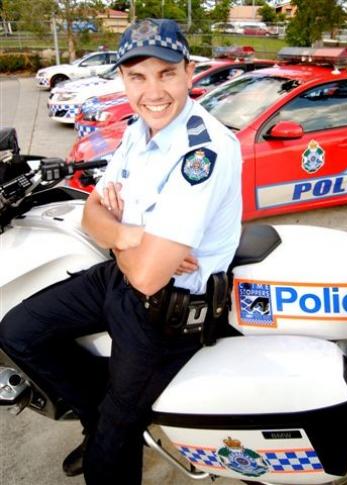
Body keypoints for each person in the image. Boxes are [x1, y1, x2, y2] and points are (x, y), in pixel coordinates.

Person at [0, 18, 242, 485]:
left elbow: (151, 276)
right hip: (119, 278)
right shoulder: (139, 131)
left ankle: (114, 423)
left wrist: (119, 231)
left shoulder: (203, 151)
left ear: (189, 73)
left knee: (108, 456)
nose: (153, 90)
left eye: (166, 73)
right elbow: (91, 213)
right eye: (137, 76)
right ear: (123, 80)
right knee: (18, 331)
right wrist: (131, 235)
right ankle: (104, 410)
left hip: (167, 311)